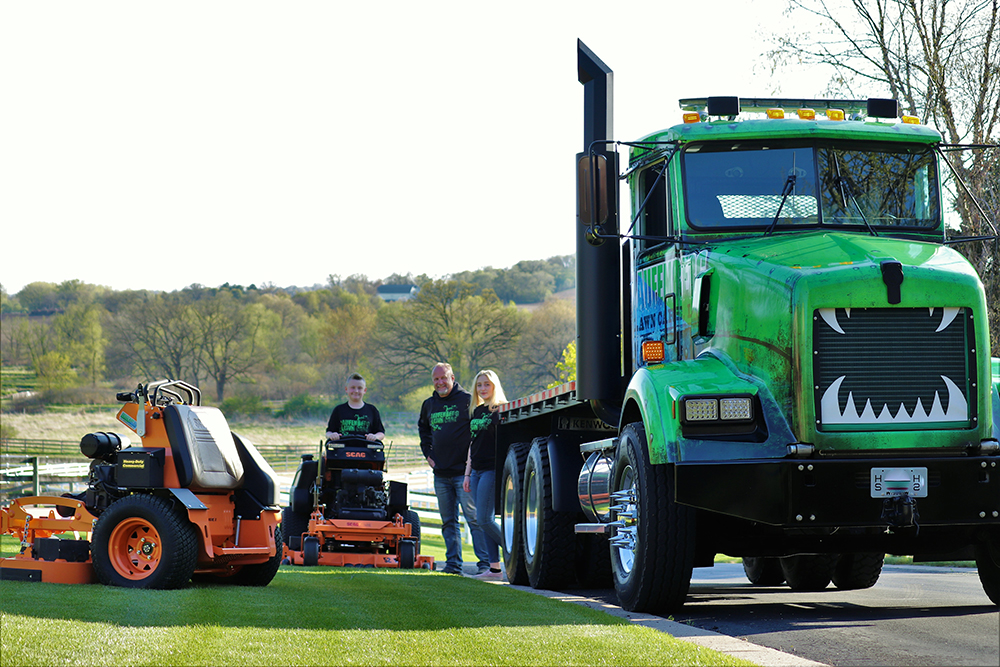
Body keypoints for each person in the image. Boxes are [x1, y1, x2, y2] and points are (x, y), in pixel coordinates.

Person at [418, 362, 490, 575]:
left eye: (444, 378)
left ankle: (485, 564)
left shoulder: (467, 400)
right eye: (436, 379)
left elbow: (478, 431)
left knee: (474, 519)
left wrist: (471, 463)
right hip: (440, 474)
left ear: (452, 377)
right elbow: (423, 429)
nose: (440, 382)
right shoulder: (428, 404)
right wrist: (428, 454)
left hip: (464, 474)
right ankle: (453, 565)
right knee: (448, 522)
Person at [463, 369, 507, 581]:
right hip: (476, 472)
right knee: (485, 521)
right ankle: (495, 570)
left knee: (484, 519)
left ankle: (515, 548)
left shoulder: (500, 411)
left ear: (494, 386)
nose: (482, 388)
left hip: (492, 469)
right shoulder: (477, 411)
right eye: (479, 385)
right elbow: (472, 444)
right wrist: (467, 474)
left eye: (486, 384)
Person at [326, 373, 385, 443]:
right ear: (346, 389)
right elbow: (328, 432)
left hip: (367, 451)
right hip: (342, 451)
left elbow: (381, 433)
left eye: (359, 388)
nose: (356, 391)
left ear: (365, 390)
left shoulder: (372, 410)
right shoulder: (338, 410)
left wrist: (375, 437)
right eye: (352, 388)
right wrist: (332, 435)